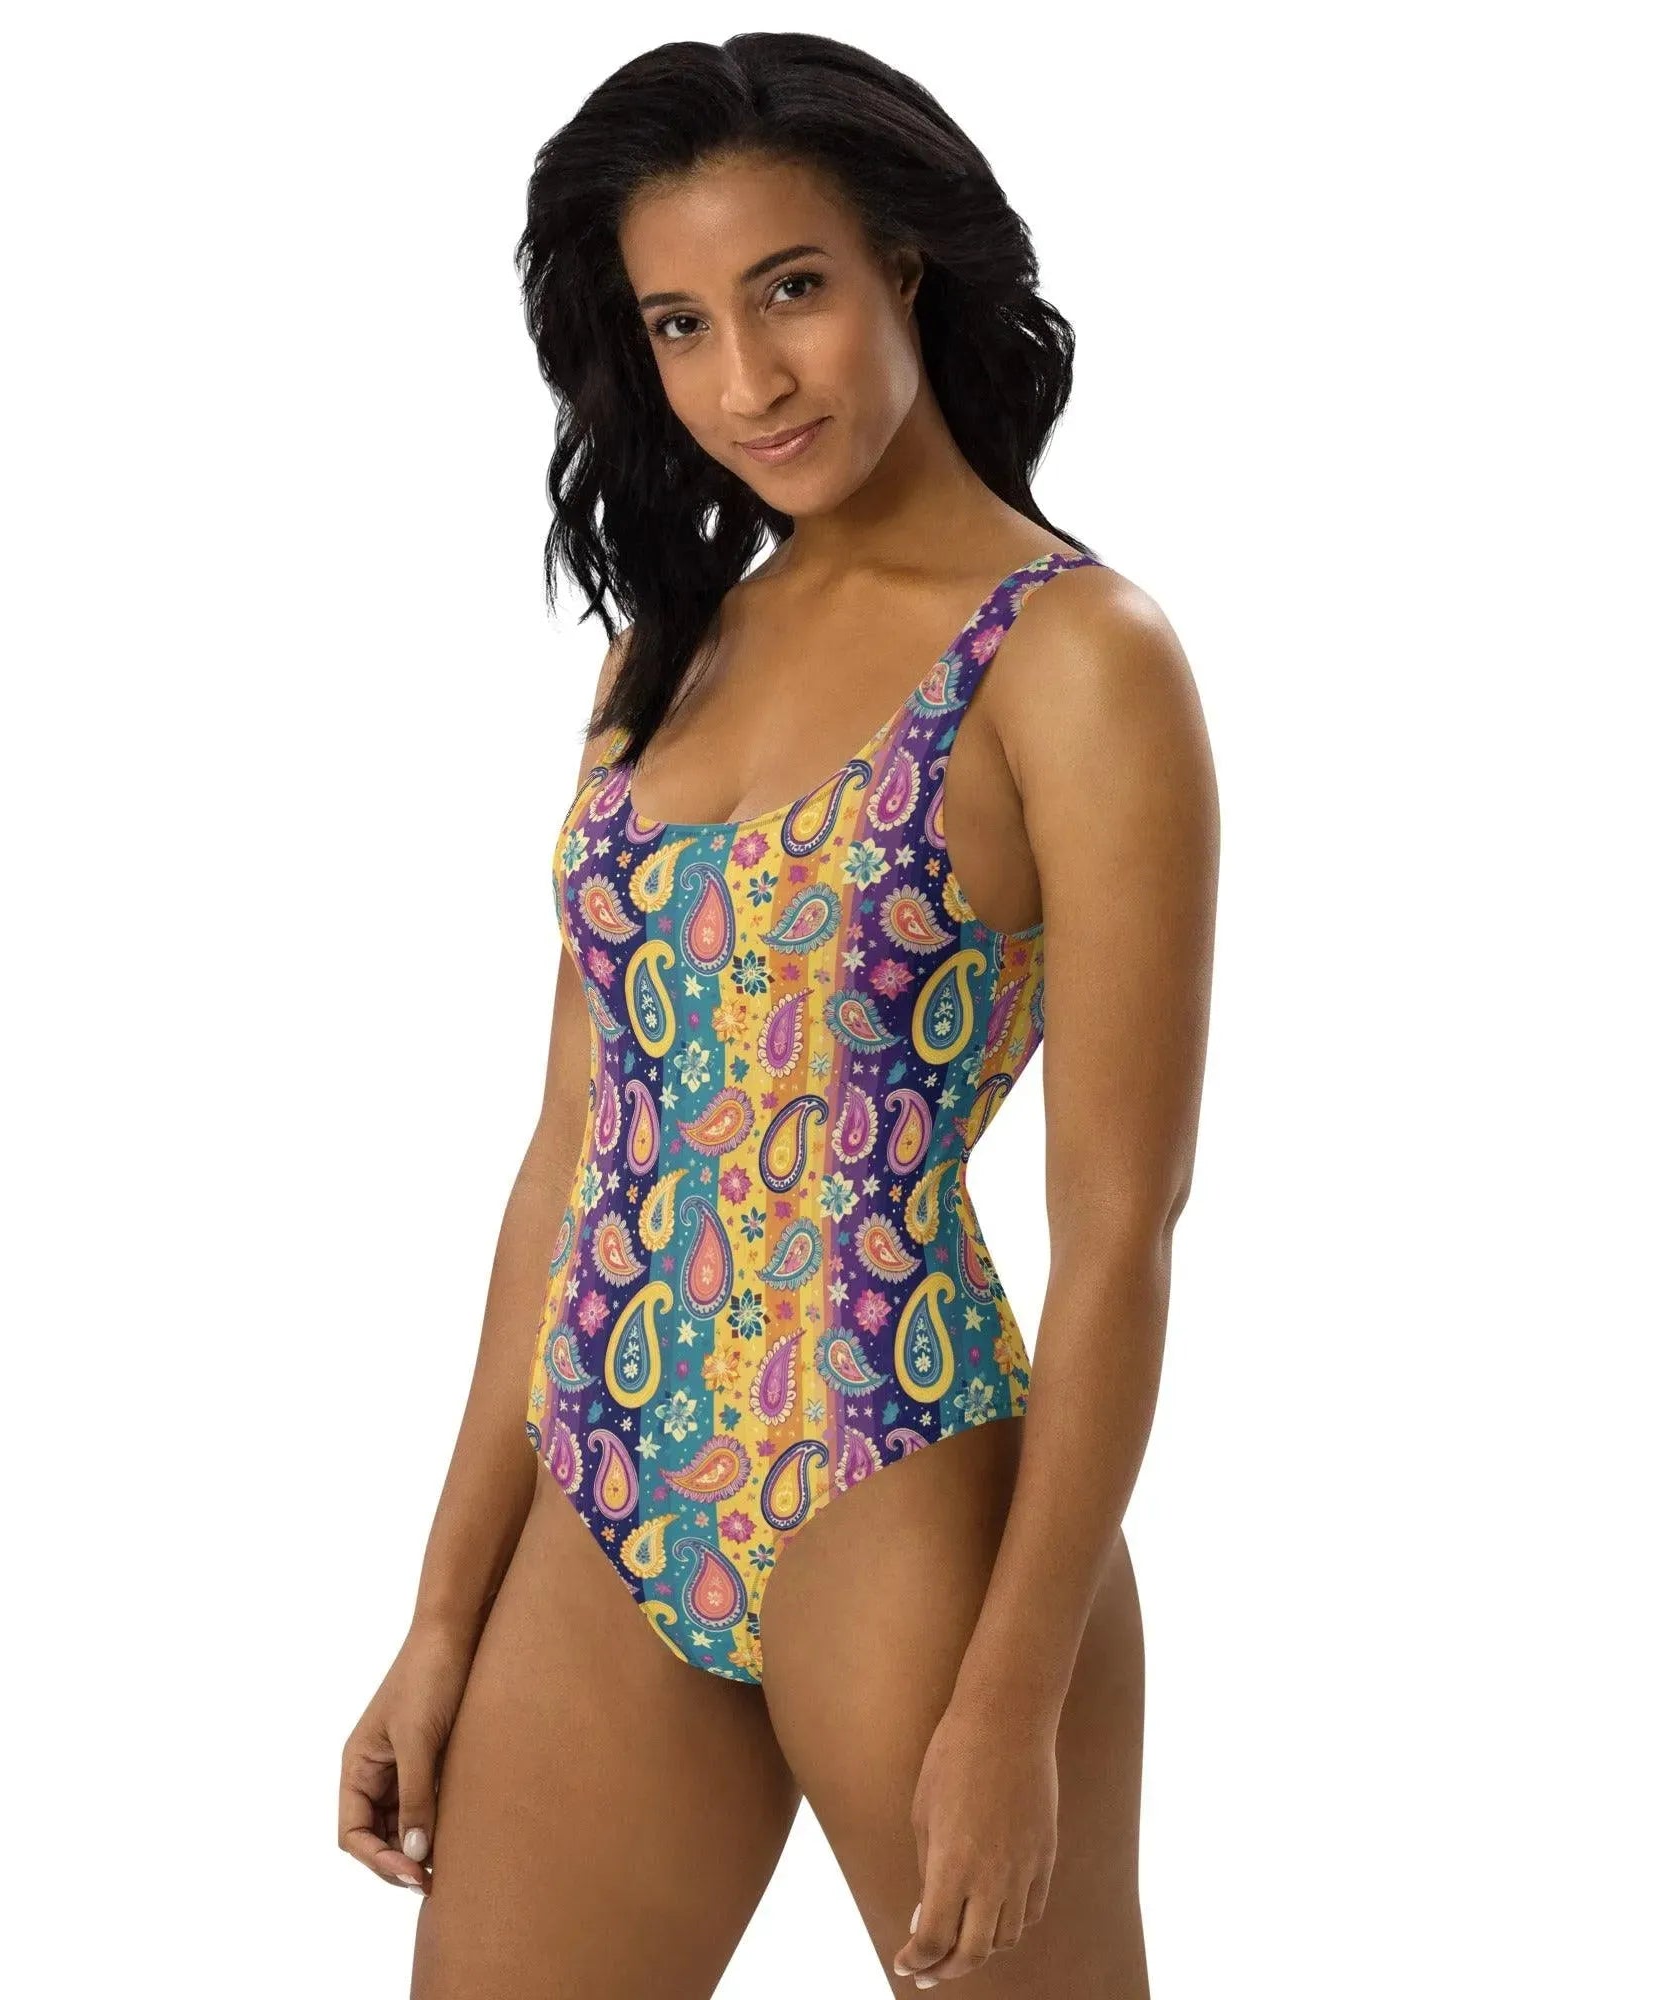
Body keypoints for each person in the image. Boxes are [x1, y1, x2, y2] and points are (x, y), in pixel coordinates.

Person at [340, 31, 1218, 1997]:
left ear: (903, 263)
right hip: (607, 1479)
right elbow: (571, 1153)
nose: (747, 378)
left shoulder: (1075, 658)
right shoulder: (662, 658)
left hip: (896, 1477)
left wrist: (1011, 1698)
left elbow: (1122, 1228)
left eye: (790, 289)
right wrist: (441, 1609)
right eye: (681, 324)